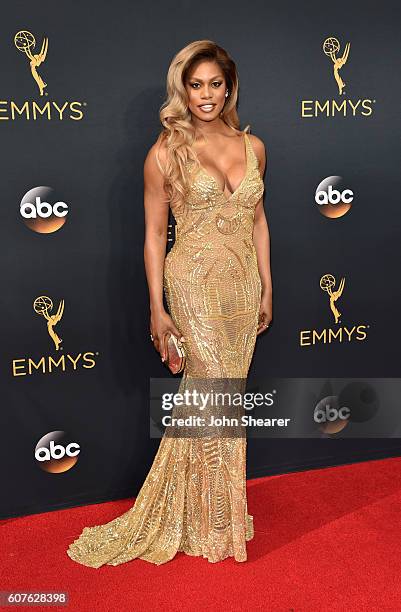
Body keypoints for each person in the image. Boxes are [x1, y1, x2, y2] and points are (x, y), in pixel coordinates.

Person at [67, 39, 272, 567]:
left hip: (242, 287)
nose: (206, 95)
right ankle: (210, 522)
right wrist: (157, 309)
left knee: (219, 402)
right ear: (183, 89)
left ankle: (207, 514)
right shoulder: (165, 152)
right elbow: (155, 235)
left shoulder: (256, 148)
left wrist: (267, 285)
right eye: (196, 84)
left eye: (215, 84)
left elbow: (258, 221)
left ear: (229, 88)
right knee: (214, 394)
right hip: (194, 285)